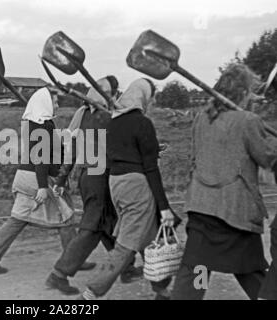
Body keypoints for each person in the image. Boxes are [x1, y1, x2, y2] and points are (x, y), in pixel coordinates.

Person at [171, 63, 277, 300]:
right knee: (250, 269)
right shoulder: (248, 121)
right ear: (242, 93)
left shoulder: (201, 118)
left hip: (201, 205)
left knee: (198, 268)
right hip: (233, 211)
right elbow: (268, 158)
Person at [78, 78, 176, 300]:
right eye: (150, 97)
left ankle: (162, 290)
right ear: (143, 96)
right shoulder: (143, 123)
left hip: (116, 182)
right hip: (137, 185)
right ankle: (90, 294)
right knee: (126, 245)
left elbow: (123, 153)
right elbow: (151, 168)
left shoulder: (112, 122)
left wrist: (149, 151)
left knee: (150, 239)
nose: (151, 101)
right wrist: (165, 207)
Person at [45, 76, 142, 295]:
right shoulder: (108, 117)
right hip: (100, 177)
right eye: (115, 92)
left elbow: (69, 149)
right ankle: (59, 274)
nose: (117, 96)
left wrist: (62, 177)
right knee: (92, 227)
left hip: (90, 177)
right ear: (111, 94)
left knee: (109, 223)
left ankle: (126, 268)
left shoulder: (84, 115)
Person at [0, 87, 91, 274]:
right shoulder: (43, 126)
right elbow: (41, 157)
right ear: (45, 104)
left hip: (25, 176)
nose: (57, 105)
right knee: (65, 217)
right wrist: (42, 186)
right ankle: (73, 260)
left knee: (18, 218)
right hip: (36, 178)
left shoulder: (32, 123)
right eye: (54, 102)